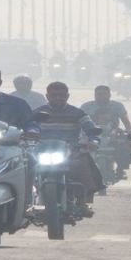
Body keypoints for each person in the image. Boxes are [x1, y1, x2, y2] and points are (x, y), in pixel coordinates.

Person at [31, 81, 104, 216]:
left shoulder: (77, 113)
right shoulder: (38, 113)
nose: (58, 98)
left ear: (67, 96)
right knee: (24, 167)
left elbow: (91, 129)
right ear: (47, 96)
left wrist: (93, 141)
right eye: (54, 95)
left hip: (70, 151)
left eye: (62, 95)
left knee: (83, 164)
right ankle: (26, 202)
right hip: (42, 151)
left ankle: (82, 202)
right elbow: (30, 127)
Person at [80, 85, 131, 178]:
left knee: (125, 147)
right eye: (98, 94)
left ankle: (120, 169)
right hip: (90, 134)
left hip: (113, 134)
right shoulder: (86, 106)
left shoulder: (117, 106)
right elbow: (78, 121)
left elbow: (126, 121)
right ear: (94, 95)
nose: (101, 96)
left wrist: (129, 133)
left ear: (110, 95)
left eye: (104, 94)